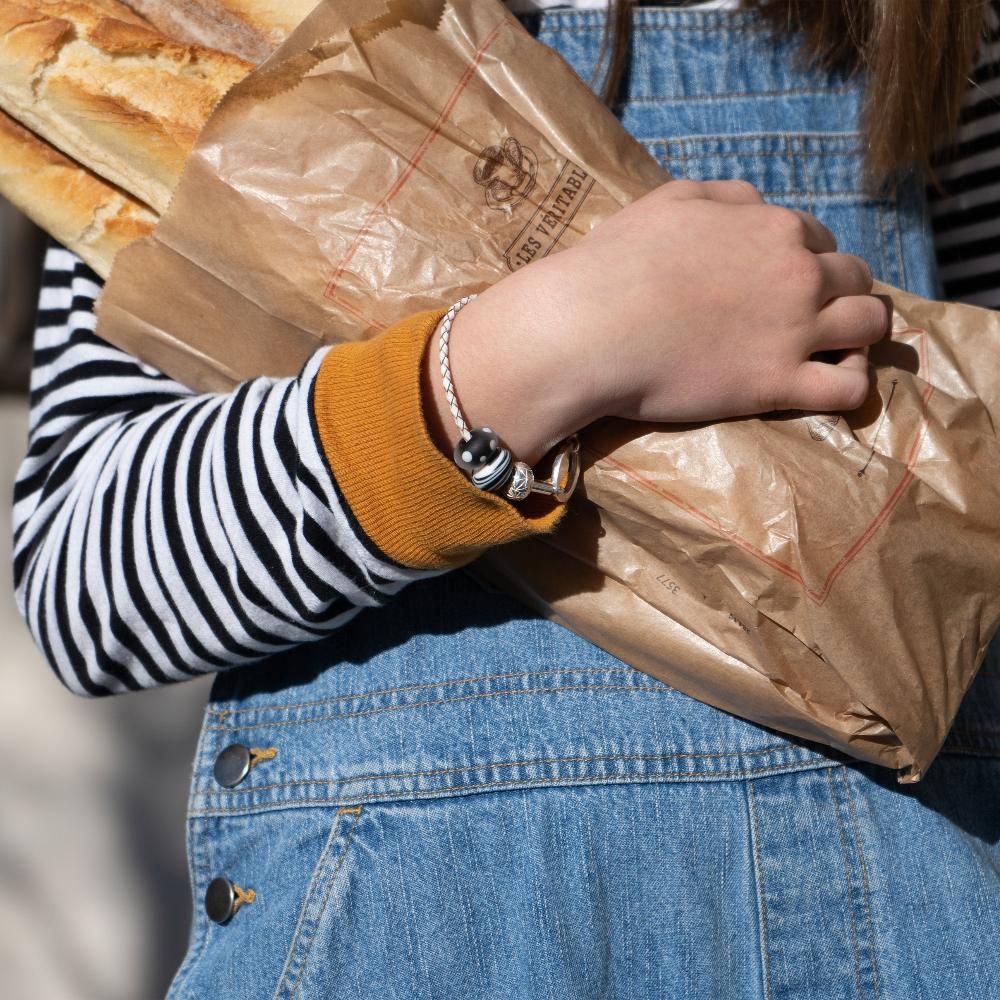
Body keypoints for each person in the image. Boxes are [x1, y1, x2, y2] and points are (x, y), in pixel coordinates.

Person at [12, 1, 1000, 997]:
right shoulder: (193, 26)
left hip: (910, 911)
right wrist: (537, 355)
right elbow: (88, 581)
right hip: (412, 936)